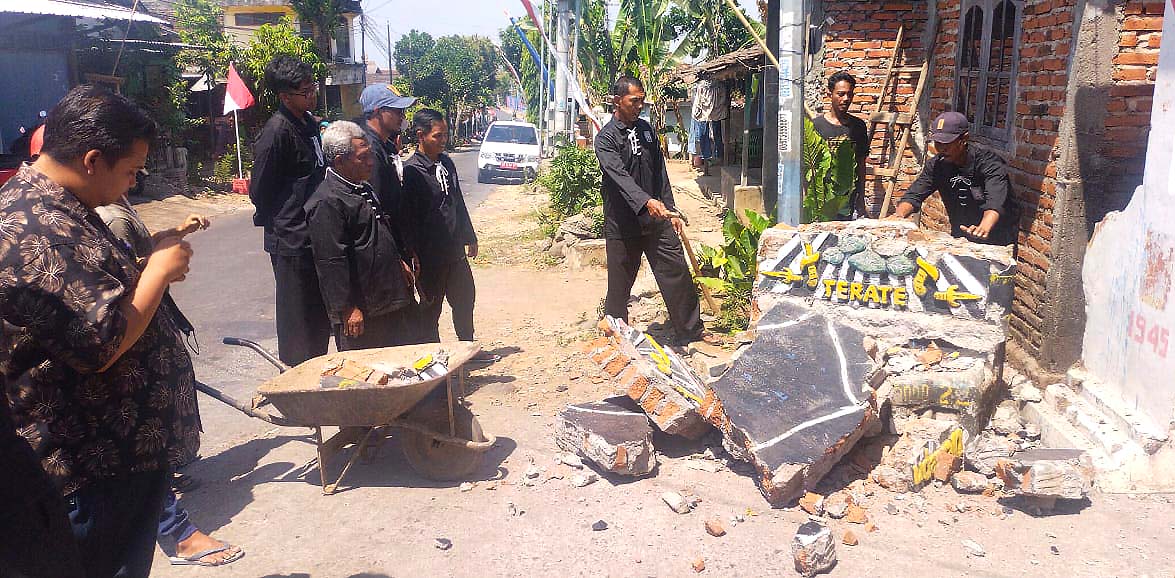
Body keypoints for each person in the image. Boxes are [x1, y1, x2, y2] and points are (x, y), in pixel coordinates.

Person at [0, 84, 197, 577]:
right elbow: (99, 343)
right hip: (88, 465)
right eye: (130, 171)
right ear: (92, 160)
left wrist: (144, 256)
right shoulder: (31, 226)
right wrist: (157, 273)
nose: (132, 184)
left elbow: (85, 290)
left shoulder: (61, 205)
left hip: (117, 453)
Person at [93, 193, 244, 568]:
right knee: (140, 444)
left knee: (149, 446)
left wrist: (171, 234)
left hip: (143, 349)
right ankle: (178, 536)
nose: (136, 177)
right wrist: (158, 270)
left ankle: (166, 494)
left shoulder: (103, 204)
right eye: (130, 167)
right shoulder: (98, 214)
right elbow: (118, 292)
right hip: (125, 364)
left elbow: (128, 252)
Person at [595, 76, 709, 346]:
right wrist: (646, 201)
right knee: (620, 285)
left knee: (677, 272)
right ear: (617, 101)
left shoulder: (646, 131)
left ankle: (691, 332)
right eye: (634, 101)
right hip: (623, 224)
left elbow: (660, 173)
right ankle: (616, 334)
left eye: (641, 100)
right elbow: (619, 177)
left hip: (657, 219)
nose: (639, 105)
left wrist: (671, 210)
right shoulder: (605, 139)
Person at [305, 121, 417, 351]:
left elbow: (378, 231)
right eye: (362, 157)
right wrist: (347, 308)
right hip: (362, 312)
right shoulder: (327, 201)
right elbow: (331, 260)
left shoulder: (361, 187)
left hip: (385, 300)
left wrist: (398, 262)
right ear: (339, 161)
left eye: (370, 155)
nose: (370, 162)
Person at [249, 54, 329, 366]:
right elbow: (260, 191)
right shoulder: (277, 132)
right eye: (305, 91)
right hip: (292, 241)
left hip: (315, 237)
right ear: (285, 96)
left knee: (318, 319)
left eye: (313, 88)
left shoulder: (307, 123)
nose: (312, 95)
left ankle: (316, 378)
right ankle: (298, 390)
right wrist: (290, 218)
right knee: (298, 325)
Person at [402, 108, 485, 348]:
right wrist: (412, 253)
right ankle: (431, 356)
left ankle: (467, 347)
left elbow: (457, 202)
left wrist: (470, 236)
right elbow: (408, 217)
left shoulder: (446, 163)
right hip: (430, 257)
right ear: (421, 136)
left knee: (464, 298)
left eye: (445, 135)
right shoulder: (412, 172)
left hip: (454, 251)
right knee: (430, 308)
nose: (442, 141)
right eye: (437, 136)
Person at [889, 111, 1019, 245]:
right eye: (937, 143)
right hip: (961, 233)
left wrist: (984, 227)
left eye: (947, 144)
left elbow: (995, 201)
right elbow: (914, 194)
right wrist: (899, 215)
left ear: (964, 139)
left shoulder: (989, 163)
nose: (941, 149)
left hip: (997, 235)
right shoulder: (936, 166)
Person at [356, 84, 421, 322]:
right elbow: (376, 212)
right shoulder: (368, 151)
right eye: (395, 110)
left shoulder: (384, 146)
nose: (402, 117)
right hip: (382, 260)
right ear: (376, 112)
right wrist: (397, 259)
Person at [811, 71, 869, 219]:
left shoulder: (858, 126)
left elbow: (861, 164)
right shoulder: (816, 126)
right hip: (822, 200)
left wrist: (861, 198)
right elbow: (809, 166)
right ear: (830, 94)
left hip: (848, 200)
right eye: (841, 94)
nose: (846, 99)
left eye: (850, 94)